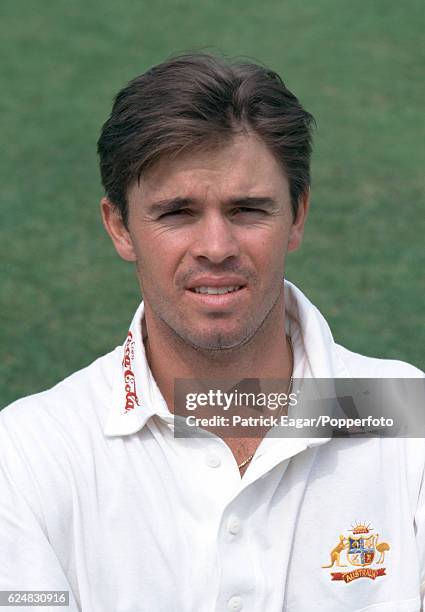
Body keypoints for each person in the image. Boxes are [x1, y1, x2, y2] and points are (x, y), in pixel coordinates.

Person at [0, 53, 424, 612]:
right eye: (177, 213)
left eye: (248, 209)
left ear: (297, 216)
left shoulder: (408, 416)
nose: (217, 248)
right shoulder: (29, 451)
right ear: (119, 227)